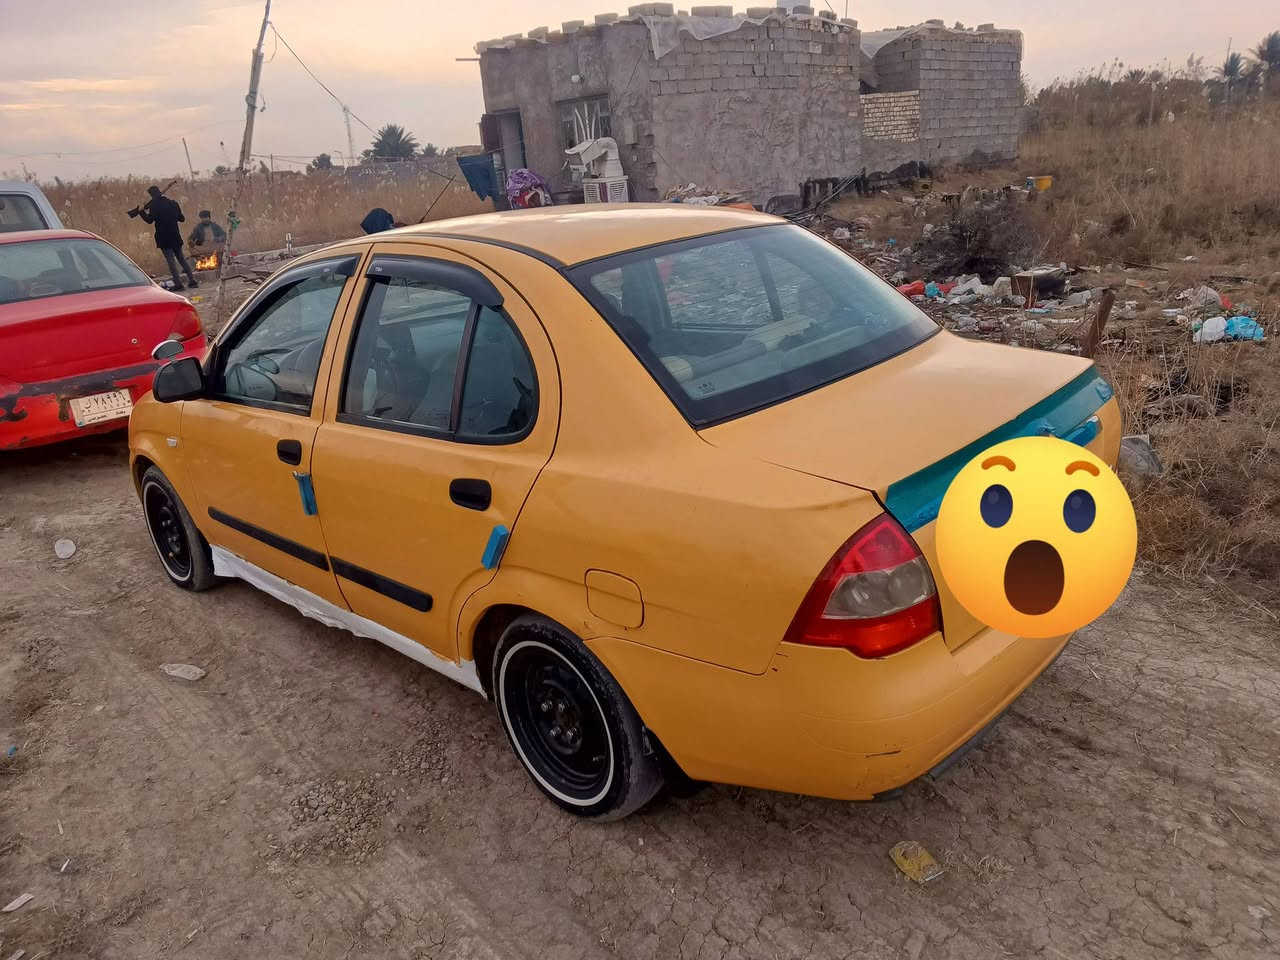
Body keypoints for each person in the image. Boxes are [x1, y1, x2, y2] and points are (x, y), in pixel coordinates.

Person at [136, 185, 196, 290]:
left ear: (151, 195)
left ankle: (179, 285)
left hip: (163, 238)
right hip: (175, 236)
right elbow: (182, 219)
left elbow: (149, 220)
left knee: (171, 261)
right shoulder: (173, 203)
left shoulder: (154, 206)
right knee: (182, 259)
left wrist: (141, 212)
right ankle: (192, 281)